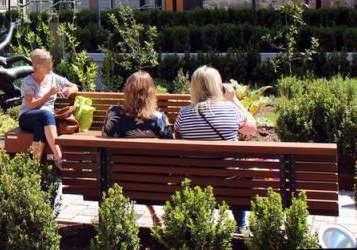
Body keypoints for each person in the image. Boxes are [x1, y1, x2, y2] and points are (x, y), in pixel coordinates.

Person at [173, 66, 257, 228]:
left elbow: (178, 138)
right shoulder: (231, 109)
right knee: (238, 173)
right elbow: (251, 129)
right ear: (218, 86)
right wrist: (233, 99)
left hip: (197, 180)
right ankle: (240, 225)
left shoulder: (184, 113)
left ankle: (203, 223)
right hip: (230, 181)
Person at [18, 48, 78, 169]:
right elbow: (31, 105)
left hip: (45, 120)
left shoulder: (53, 77)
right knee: (45, 114)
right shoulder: (28, 81)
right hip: (27, 117)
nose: (51, 64)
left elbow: (74, 86)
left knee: (40, 125)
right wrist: (49, 93)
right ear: (39, 66)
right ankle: (59, 157)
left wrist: (69, 90)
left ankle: (35, 168)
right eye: (48, 62)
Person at [102, 71, 173, 139]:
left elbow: (104, 136)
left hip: (117, 152)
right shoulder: (160, 119)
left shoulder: (113, 114)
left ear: (127, 92)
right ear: (151, 94)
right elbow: (169, 144)